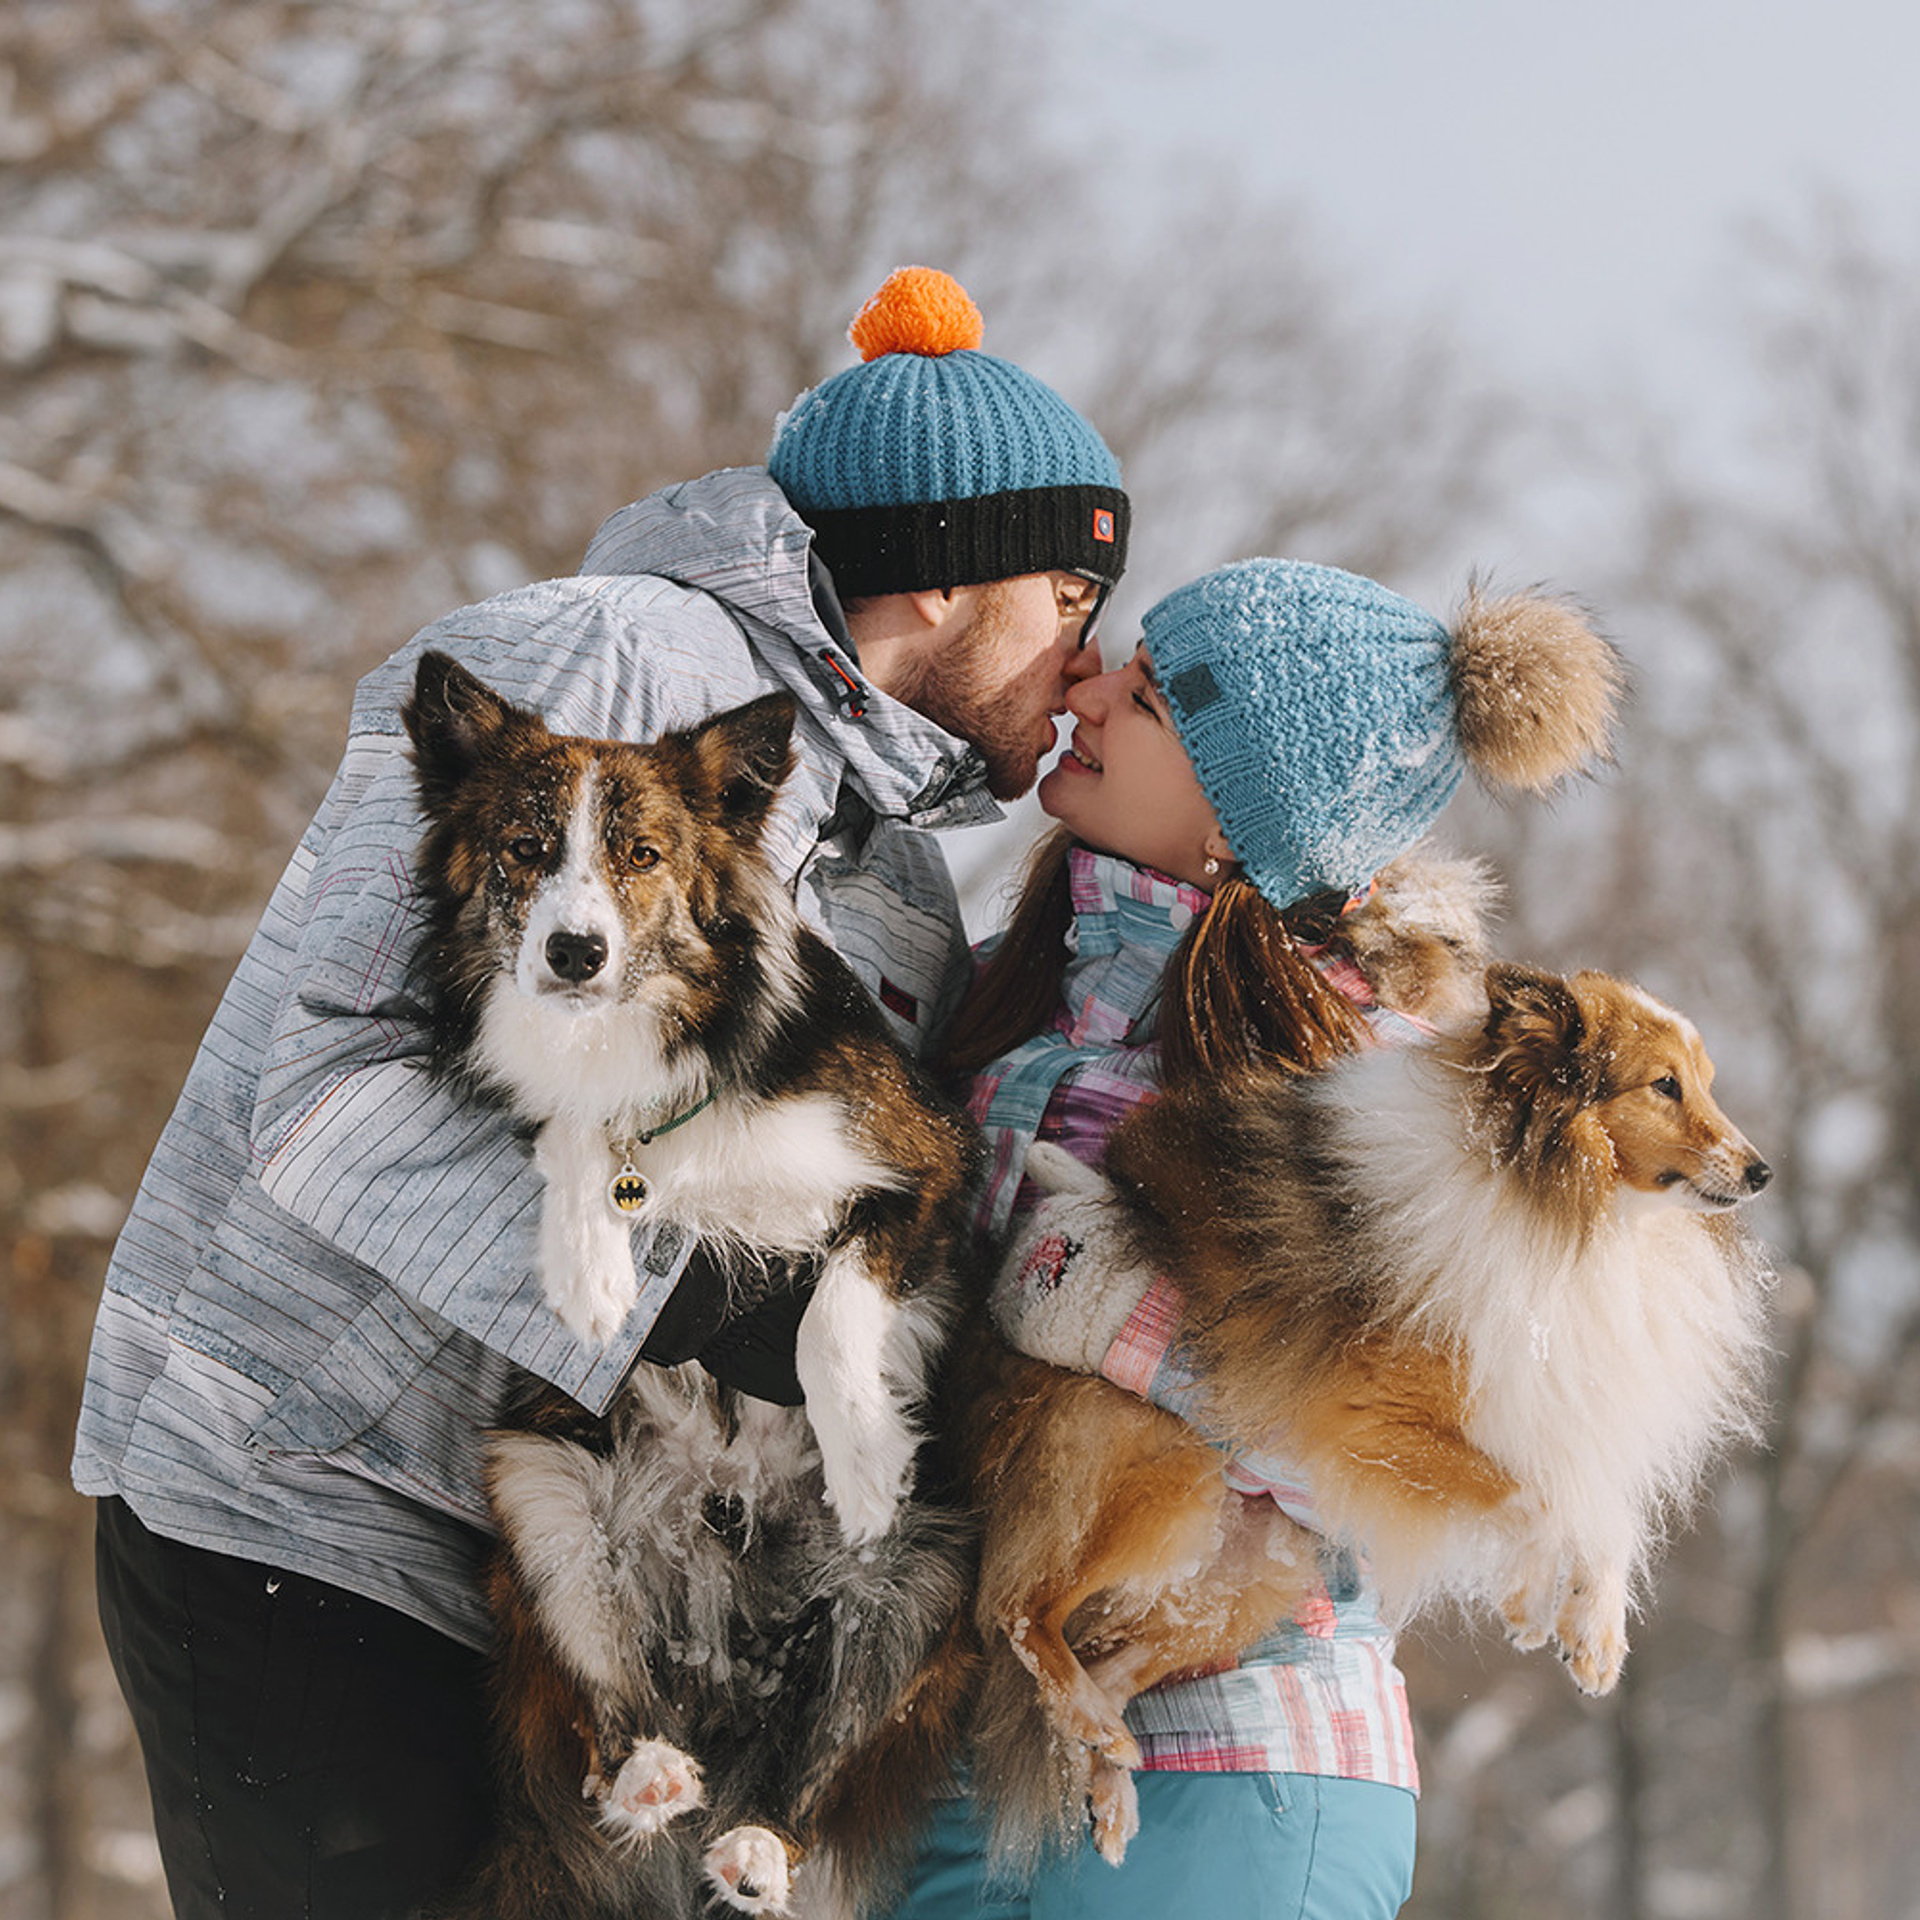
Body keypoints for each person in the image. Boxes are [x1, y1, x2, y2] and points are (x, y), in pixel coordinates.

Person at [71, 265, 1129, 1920]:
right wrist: (696, 1306)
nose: (1084, 652)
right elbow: (328, 1090)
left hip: (605, 1591)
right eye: (1069, 592)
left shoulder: (893, 875)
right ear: (945, 575)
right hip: (312, 1507)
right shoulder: (602, 665)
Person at [896, 558, 1622, 1920]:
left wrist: (1121, 1329)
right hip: (982, 1754)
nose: (1091, 690)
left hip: (1239, 1763)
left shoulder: (1380, 1091)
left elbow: (1432, 1441)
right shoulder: (1021, 998)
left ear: (1247, 816)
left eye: (1154, 699)